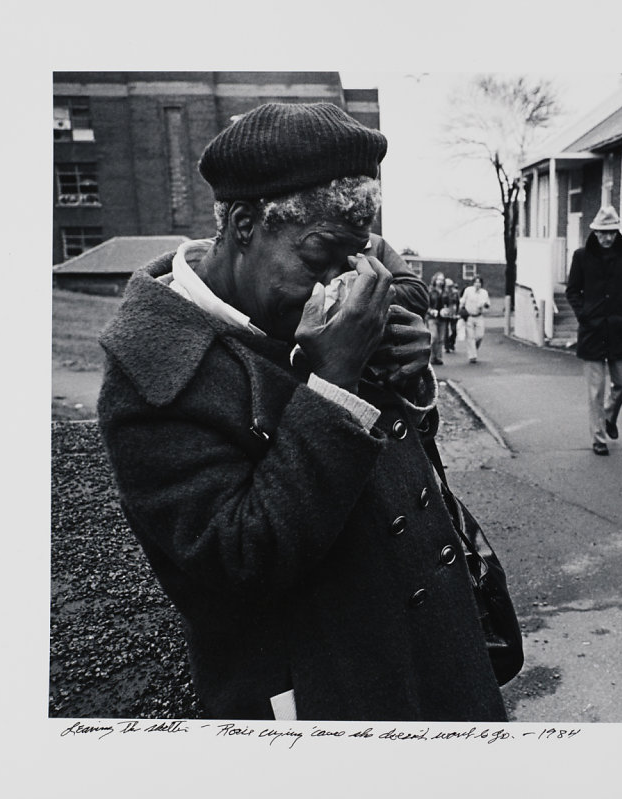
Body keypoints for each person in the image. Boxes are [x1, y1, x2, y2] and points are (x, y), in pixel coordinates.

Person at [96, 102, 509, 721]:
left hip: (436, 655)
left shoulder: (312, 304)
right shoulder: (153, 369)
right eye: (319, 258)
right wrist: (334, 382)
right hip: (327, 692)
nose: (338, 285)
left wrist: (409, 380)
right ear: (242, 224)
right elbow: (236, 561)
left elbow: (406, 468)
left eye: (353, 259)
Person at [564, 205, 622, 456]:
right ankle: (598, 437)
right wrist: (584, 315)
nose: (606, 238)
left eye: (611, 232)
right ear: (595, 232)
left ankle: (609, 417)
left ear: (617, 232)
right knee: (595, 390)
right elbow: (572, 291)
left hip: (619, 330)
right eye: (602, 233)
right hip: (592, 333)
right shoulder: (581, 256)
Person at [460, 275, 491, 364]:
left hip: (479, 316)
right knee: (470, 337)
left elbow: (488, 304)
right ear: (473, 283)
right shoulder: (468, 290)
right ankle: (472, 356)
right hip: (469, 316)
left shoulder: (484, 293)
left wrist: (485, 304)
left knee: (479, 336)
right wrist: (461, 311)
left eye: (479, 282)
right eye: (476, 282)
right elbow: (462, 301)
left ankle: (474, 349)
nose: (477, 284)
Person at [426, 271, 447, 365]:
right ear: (435, 280)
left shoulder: (445, 292)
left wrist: (446, 310)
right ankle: (430, 358)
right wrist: (431, 311)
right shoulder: (430, 291)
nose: (440, 281)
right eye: (439, 279)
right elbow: (425, 304)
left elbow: (450, 304)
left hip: (443, 318)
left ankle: (438, 358)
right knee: (433, 337)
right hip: (432, 317)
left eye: (442, 280)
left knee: (441, 339)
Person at [443, 278, 461, 353]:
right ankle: (446, 346)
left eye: (450, 286)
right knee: (445, 331)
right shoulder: (443, 293)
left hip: (453, 313)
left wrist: (457, 313)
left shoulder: (455, 292)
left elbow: (458, 303)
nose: (449, 287)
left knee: (454, 330)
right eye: (447, 286)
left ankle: (451, 342)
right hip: (445, 313)